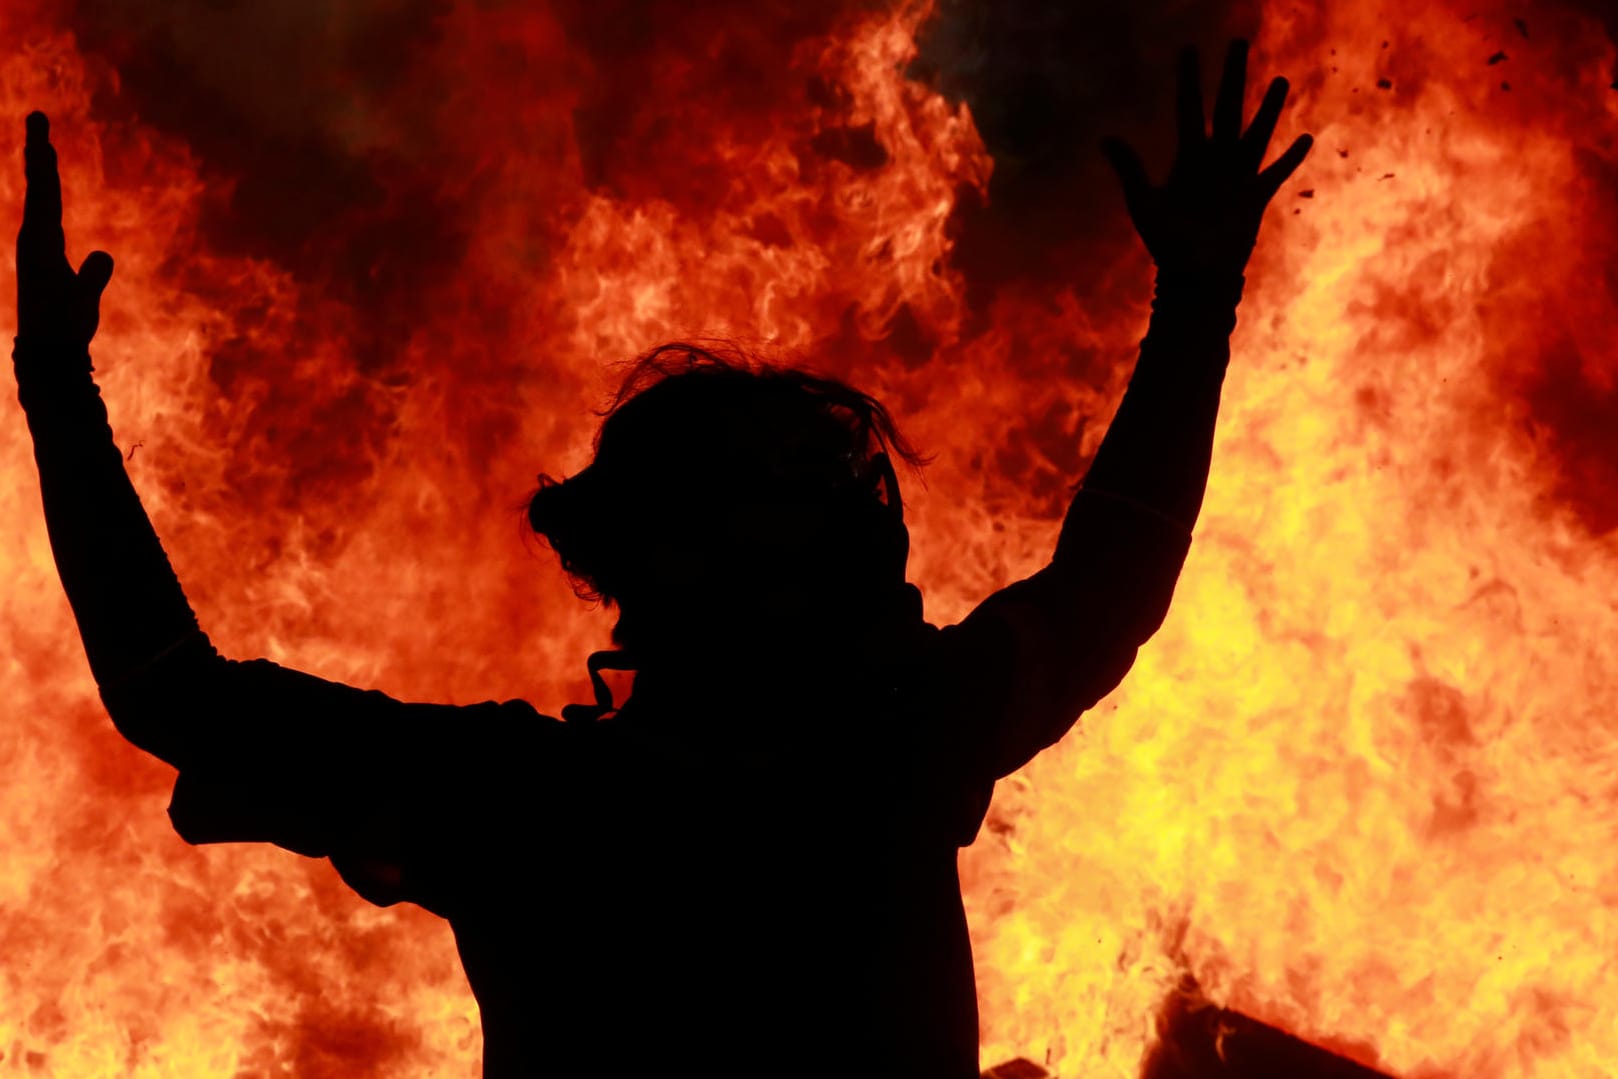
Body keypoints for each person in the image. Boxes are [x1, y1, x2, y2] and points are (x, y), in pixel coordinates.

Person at [13, 40, 1310, 1079]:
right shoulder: (886, 758)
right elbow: (1106, 593)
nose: (870, 571)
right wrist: (1193, 302)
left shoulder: (529, 801)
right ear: (690, 565)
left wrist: (59, 396)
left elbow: (169, 692)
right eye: (812, 526)